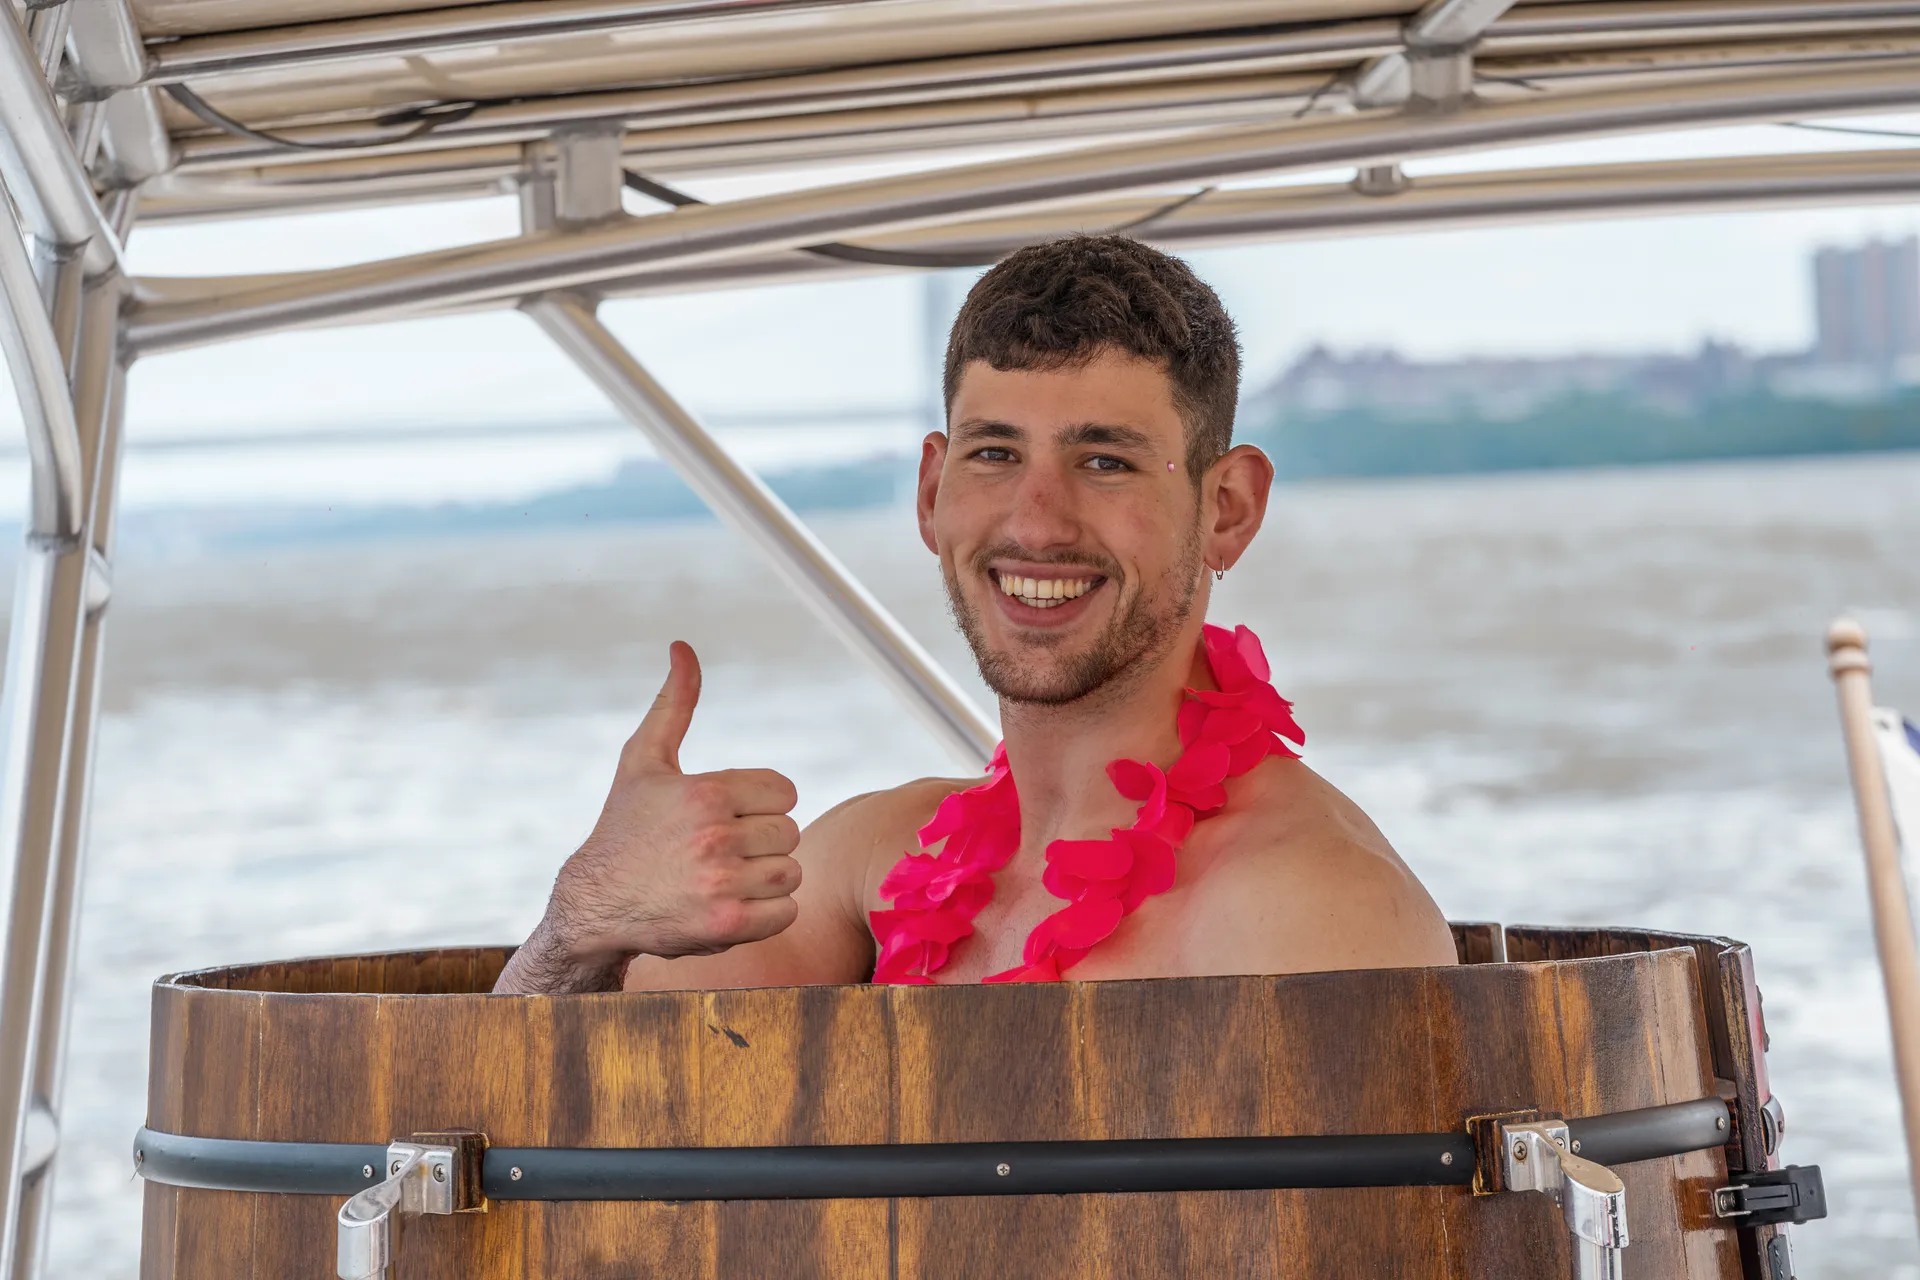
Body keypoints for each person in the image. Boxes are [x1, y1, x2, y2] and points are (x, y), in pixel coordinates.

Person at [493, 234, 1456, 995]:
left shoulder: (1316, 911)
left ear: (1228, 508)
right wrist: (585, 918)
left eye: (1107, 460)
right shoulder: (872, 860)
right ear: (930, 491)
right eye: (995, 453)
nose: (1036, 522)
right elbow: (525, 1134)